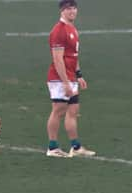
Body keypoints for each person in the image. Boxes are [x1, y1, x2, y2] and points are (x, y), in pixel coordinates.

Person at [45, 0, 96, 158]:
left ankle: (76, 147)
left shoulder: (72, 28)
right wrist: (66, 82)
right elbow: (58, 59)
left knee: (73, 110)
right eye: (68, 9)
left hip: (71, 76)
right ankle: (52, 147)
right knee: (59, 111)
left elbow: (73, 56)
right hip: (59, 78)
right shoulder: (59, 31)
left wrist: (78, 74)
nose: (72, 11)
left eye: (74, 8)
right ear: (62, 11)